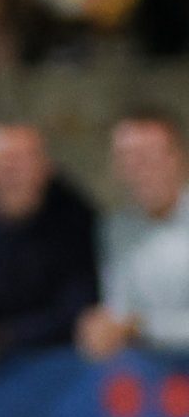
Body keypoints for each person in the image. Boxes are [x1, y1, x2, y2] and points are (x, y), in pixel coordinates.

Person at [0, 122, 98, 375]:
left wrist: (5, 337)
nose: (13, 171)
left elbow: (79, 308)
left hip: (62, 365)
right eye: (3, 161)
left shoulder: (76, 217)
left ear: (45, 168)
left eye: (24, 160)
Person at [81, 107, 189, 358]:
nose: (138, 169)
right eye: (127, 157)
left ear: (177, 158)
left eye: (148, 156)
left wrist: (140, 327)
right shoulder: (115, 229)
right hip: (153, 385)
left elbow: (131, 325)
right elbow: (118, 308)